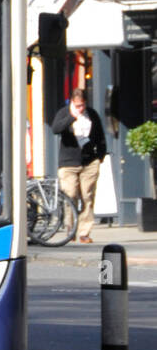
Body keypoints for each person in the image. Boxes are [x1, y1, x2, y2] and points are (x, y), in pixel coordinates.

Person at [51, 88, 107, 243]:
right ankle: (71, 229)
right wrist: (71, 117)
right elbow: (56, 129)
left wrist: (101, 155)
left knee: (87, 196)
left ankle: (84, 232)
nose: (80, 109)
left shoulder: (92, 115)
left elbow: (100, 136)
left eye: (82, 106)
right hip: (68, 163)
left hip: (89, 161)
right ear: (71, 103)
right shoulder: (64, 113)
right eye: (77, 106)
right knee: (70, 195)